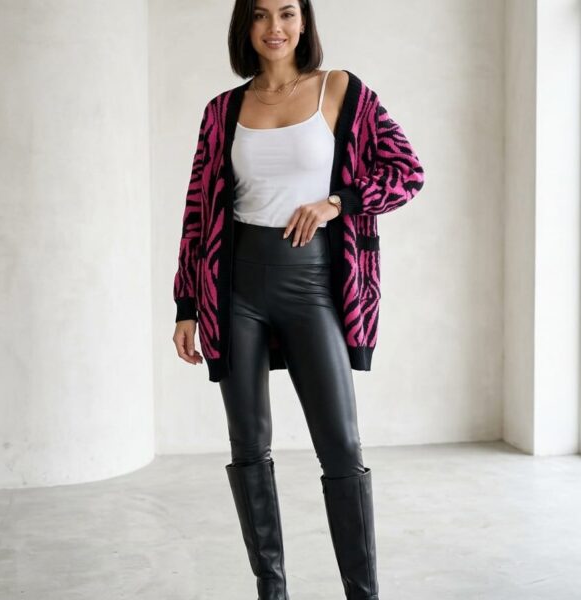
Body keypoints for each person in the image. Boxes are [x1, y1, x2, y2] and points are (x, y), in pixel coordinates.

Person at [172, 1, 425, 598]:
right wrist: (186, 305)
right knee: (248, 445)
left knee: (341, 446)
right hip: (235, 290)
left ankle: (362, 593)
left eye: (287, 13)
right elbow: (197, 210)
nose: (275, 28)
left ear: (304, 21)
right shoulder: (222, 110)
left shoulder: (341, 91)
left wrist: (337, 203)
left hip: (313, 287)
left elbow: (407, 172)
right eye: (261, 15)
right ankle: (272, 589)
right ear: (246, 27)